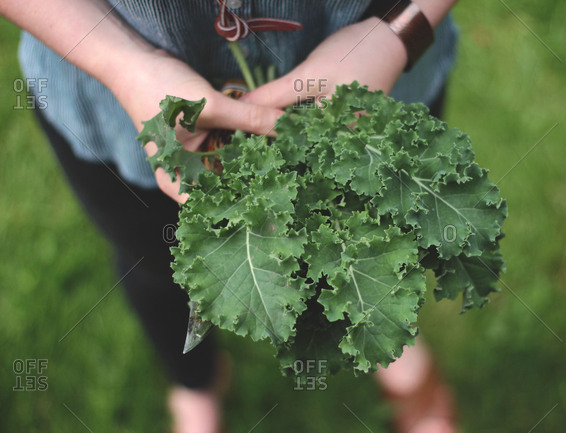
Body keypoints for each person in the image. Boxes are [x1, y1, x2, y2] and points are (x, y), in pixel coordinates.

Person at [1, 1, 459, 432]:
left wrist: (394, 31)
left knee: (368, 239)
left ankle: (385, 335)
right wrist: (121, 63)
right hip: (112, 91)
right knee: (157, 265)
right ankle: (194, 383)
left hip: (369, 77)